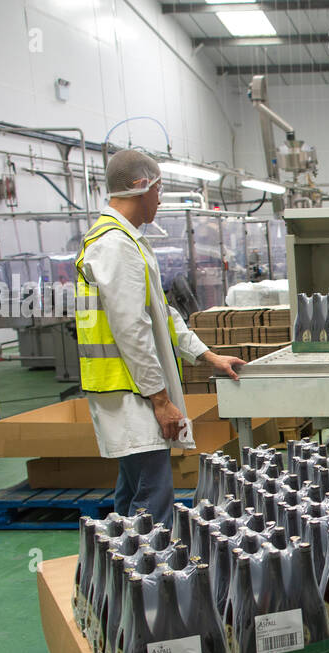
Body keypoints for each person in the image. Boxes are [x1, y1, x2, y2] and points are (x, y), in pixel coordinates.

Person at [75, 149, 245, 520]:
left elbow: (161, 316)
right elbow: (131, 329)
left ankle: (120, 569)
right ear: (141, 186)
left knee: (133, 493)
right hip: (131, 393)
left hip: (130, 392)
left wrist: (208, 356)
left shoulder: (126, 240)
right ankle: (148, 576)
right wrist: (160, 399)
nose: (159, 199)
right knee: (153, 502)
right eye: (158, 190)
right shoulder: (115, 245)